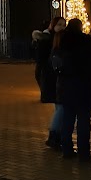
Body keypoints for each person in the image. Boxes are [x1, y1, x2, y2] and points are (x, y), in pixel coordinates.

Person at [51, 18, 91, 161]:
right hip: (84, 85)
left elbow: (55, 62)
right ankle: (84, 152)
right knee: (83, 120)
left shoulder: (63, 41)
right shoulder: (86, 40)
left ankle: (67, 150)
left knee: (68, 119)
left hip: (67, 85)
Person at [33, 16, 66, 149]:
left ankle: (56, 136)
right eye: (59, 24)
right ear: (53, 25)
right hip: (53, 78)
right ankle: (54, 136)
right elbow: (42, 61)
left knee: (60, 108)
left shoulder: (60, 38)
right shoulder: (48, 39)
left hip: (57, 78)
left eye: (64, 24)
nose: (62, 27)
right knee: (61, 107)